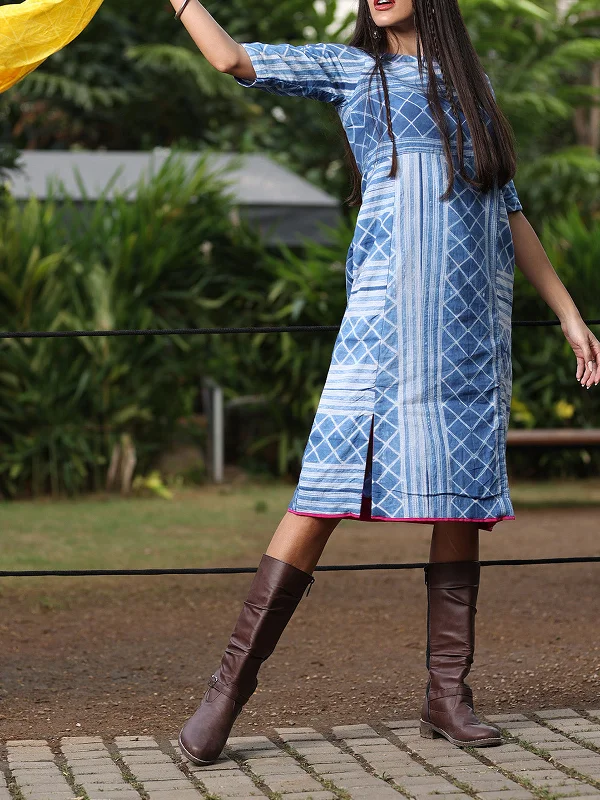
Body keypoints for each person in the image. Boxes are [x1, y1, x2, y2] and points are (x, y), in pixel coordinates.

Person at [169, 0, 600, 764]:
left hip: (469, 325)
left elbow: (508, 209)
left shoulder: (477, 88)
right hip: (382, 322)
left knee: (459, 497)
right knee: (323, 492)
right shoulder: (354, 70)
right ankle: (224, 696)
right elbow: (233, 60)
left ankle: (446, 695)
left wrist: (567, 312)